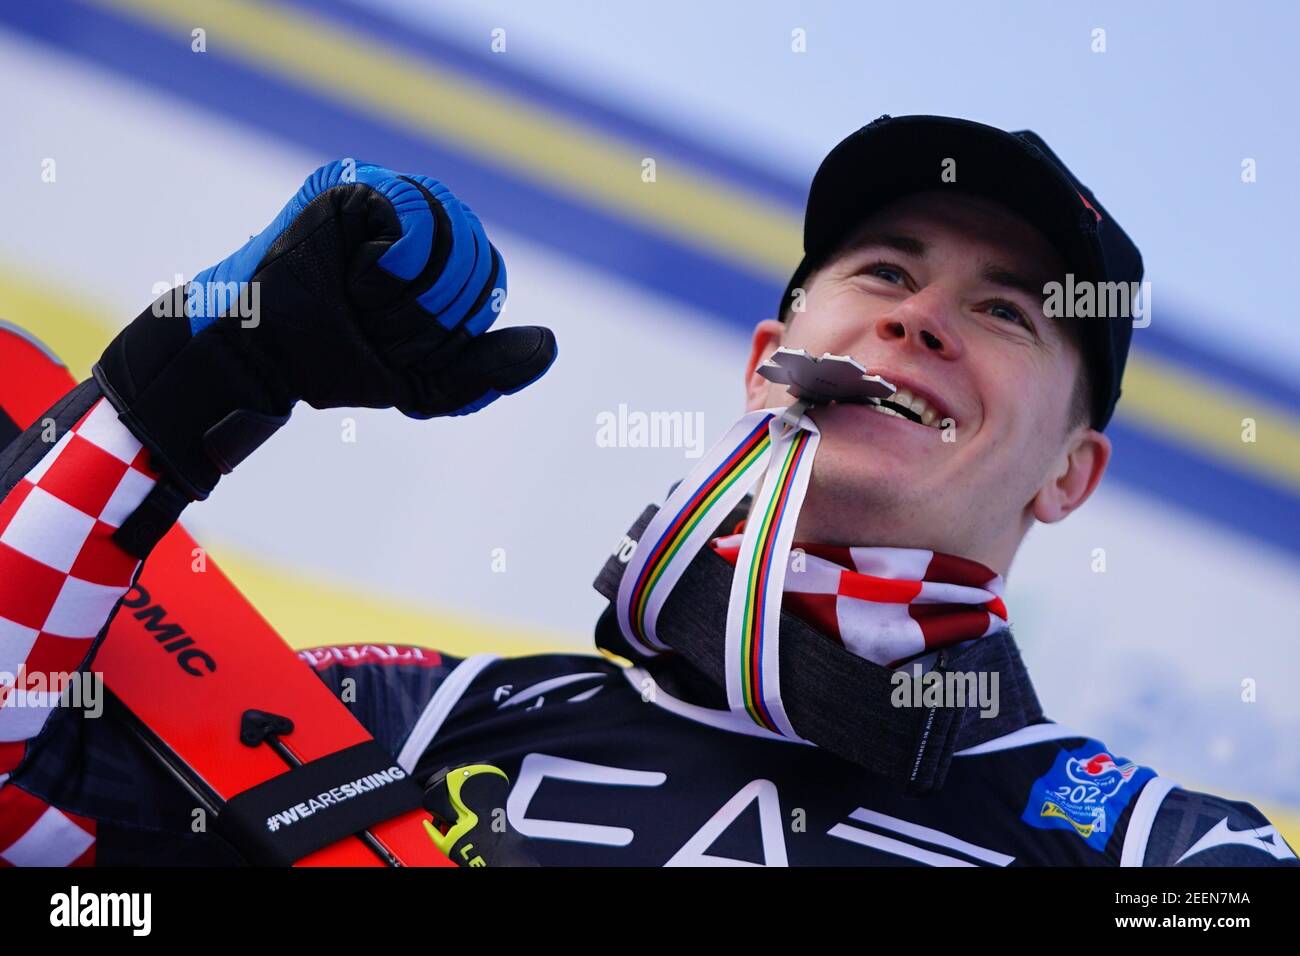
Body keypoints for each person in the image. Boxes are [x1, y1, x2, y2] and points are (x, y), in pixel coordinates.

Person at [0, 116, 1293, 867]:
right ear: (762, 367)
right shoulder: (421, 721)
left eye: (1004, 308)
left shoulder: (1161, 855)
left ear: (1070, 478)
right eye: (884, 274)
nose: (919, 320)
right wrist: (193, 380)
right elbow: (27, 807)